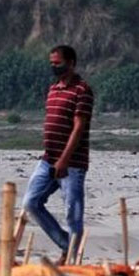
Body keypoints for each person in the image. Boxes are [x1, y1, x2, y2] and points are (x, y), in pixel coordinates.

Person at [21, 45, 94, 262]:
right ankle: (67, 246)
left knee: (73, 211)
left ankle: (73, 258)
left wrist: (64, 159)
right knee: (30, 203)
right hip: (48, 159)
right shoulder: (53, 89)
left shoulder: (82, 90)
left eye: (58, 63)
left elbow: (79, 127)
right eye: (51, 63)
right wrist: (54, 158)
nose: (54, 67)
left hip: (72, 162)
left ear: (71, 62)